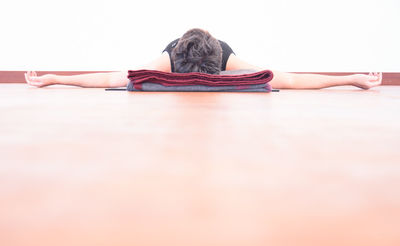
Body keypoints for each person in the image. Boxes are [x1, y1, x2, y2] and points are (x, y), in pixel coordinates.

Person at [24, 28, 382, 90]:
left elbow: (288, 79)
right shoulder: (166, 59)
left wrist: (349, 78)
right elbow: (111, 78)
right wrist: (57, 78)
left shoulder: (227, 57)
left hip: (216, 52)